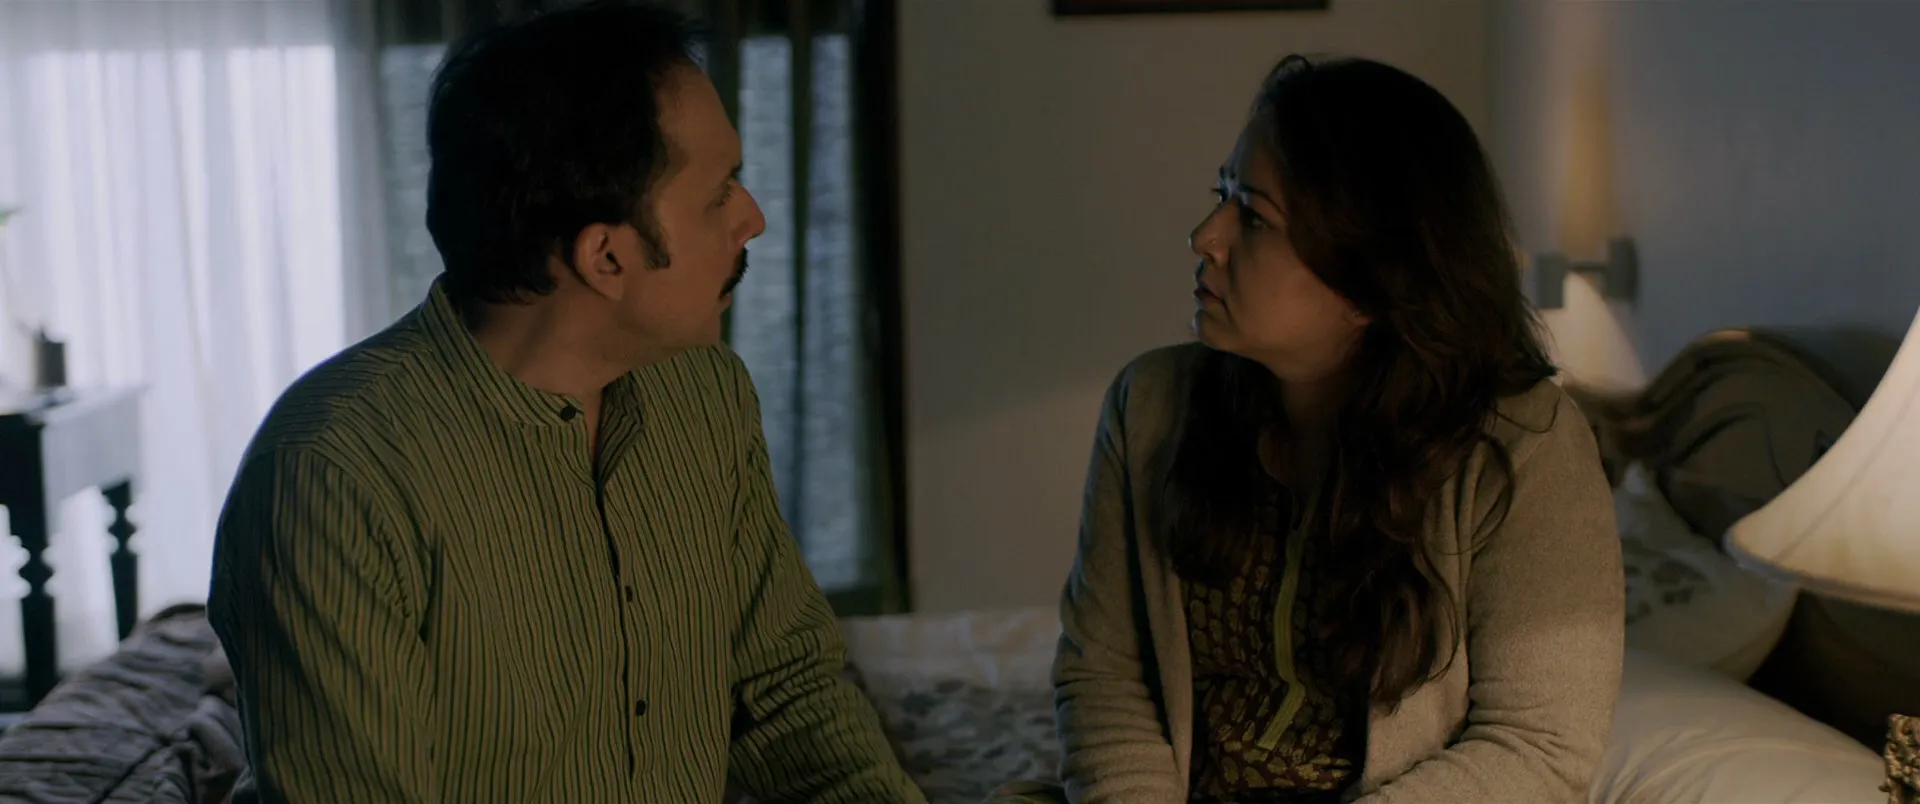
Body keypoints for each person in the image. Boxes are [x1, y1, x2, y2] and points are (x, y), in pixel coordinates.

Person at [206, 3, 924, 802]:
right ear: (605, 255)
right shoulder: (331, 475)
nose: (753, 219)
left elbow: (787, 697)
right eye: (720, 192)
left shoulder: (705, 393)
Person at [993, 55, 1623, 804]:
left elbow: (1536, 744)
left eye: (1254, 217)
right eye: (1221, 195)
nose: (1205, 236)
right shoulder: (1151, 405)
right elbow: (1106, 676)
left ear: (1372, 281)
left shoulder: (1526, 448)